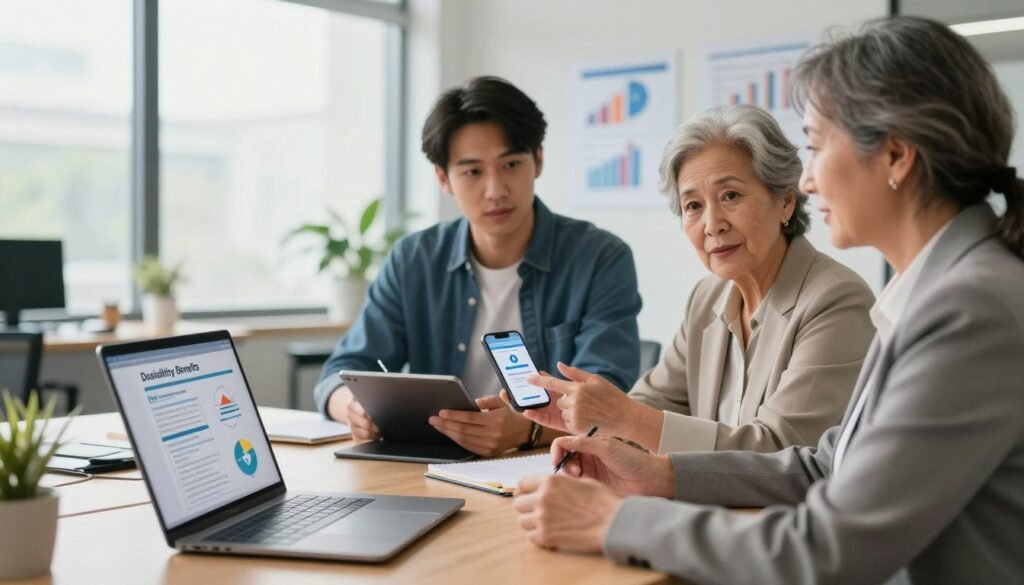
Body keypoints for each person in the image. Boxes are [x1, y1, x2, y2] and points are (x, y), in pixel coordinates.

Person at [513, 16, 1024, 584]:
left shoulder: (969, 311)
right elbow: (823, 466)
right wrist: (657, 478)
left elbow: (829, 549)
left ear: (897, 156)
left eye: (816, 144)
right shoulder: (939, 293)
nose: (806, 181)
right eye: (692, 205)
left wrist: (617, 521)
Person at [313, 76, 642, 457]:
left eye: (511, 164)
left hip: (549, 466)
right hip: (430, 463)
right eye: (472, 171)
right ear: (443, 178)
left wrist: (526, 430)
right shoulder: (413, 260)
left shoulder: (600, 257)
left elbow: (608, 392)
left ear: (538, 160)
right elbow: (343, 370)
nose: (495, 190)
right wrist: (352, 407)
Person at [523, 104, 874, 454]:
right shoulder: (707, 298)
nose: (712, 224)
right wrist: (592, 426)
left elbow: (781, 450)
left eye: (730, 196)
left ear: (785, 201)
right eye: (693, 206)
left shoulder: (836, 300)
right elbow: (654, 400)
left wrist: (626, 419)